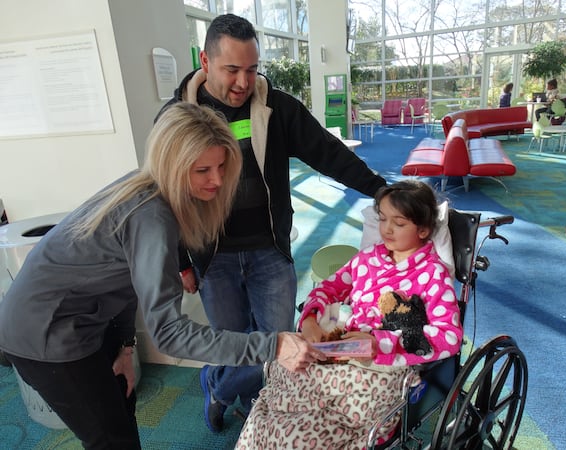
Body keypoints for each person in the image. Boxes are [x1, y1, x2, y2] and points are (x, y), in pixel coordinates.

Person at [0, 103, 325, 450]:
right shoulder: (151, 215)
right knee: (111, 437)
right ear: (173, 166)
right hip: (43, 332)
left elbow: (122, 280)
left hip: (86, 315)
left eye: (221, 166)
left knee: (121, 409)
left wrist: (125, 347)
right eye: (202, 170)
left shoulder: (153, 189)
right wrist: (272, 345)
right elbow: (170, 333)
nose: (216, 180)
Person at [157, 13, 387, 432]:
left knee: (281, 344)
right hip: (213, 256)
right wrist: (180, 260)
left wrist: (379, 190)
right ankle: (244, 399)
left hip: (269, 251)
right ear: (206, 63)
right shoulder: (177, 117)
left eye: (252, 69)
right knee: (232, 343)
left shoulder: (277, 107)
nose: (243, 82)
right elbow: (166, 194)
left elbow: (328, 152)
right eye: (232, 70)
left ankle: (221, 388)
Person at [235, 180, 463, 449]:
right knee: (280, 381)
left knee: (300, 433)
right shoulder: (367, 259)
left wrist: (379, 343)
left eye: (399, 223)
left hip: (385, 367)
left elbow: (449, 336)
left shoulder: (433, 274)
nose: (387, 229)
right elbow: (328, 289)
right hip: (343, 350)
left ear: (423, 230)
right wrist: (309, 319)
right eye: (383, 219)